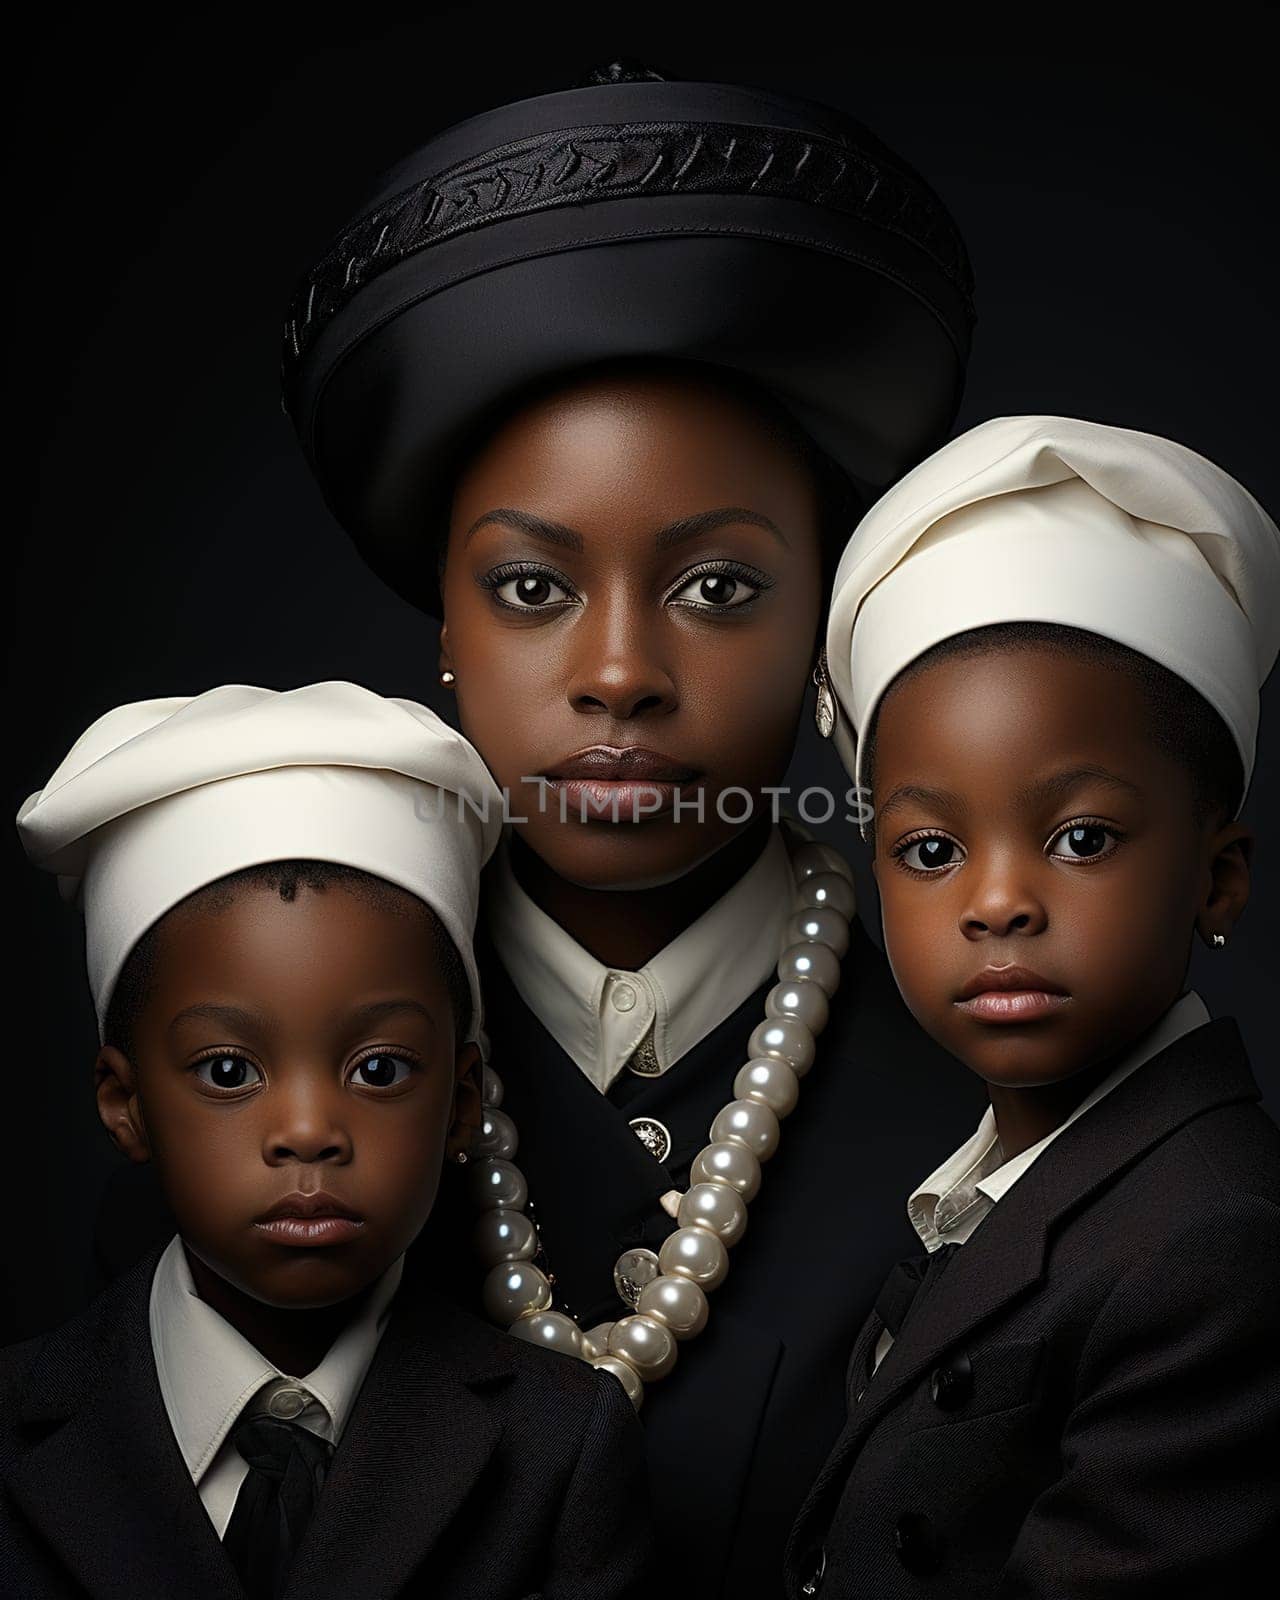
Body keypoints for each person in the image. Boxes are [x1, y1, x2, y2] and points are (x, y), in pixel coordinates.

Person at [270, 61, 992, 1593]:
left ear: (823, 631)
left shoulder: (991, 1097)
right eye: (533, 589)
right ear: (448, 627)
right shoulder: (269, 1065)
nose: (617, 674)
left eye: (718, 587)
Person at [3, 682, 652, 1600]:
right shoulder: (20, 1425)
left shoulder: (555, 1447)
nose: (308, 1132)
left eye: (378, 1070)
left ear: (462, 1098)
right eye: (229, 1072)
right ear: (126, 1102)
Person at [784, 416, 1280, 1597]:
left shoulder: (1215, 1238)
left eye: (1079, 836)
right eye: (930, 846)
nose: (997, 901)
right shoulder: (998, 1193)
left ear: (1216, 874)